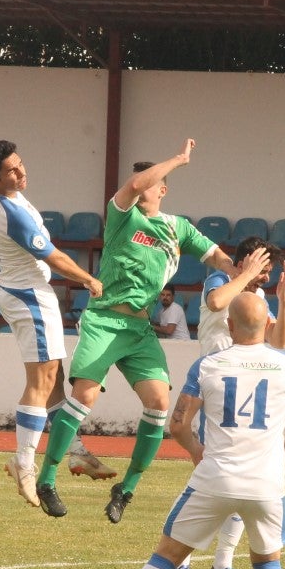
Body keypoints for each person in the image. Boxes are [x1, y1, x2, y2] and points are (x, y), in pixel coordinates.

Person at [92, 293, 285, 569]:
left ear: (228, 326)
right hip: (265, 484)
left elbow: (179, 423)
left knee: (165, 557)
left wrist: (196, 449)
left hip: (214, 478)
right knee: (268, 564)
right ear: (268, 324)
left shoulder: (208, 365)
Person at [34, 139, 237, 522]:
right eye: (140, 179)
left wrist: (235, 270)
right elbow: (129, 188)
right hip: (105, 319)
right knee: (85, 396)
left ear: (163, 189)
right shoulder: (123, 215)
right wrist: (178, 159)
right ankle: (47, 479)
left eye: (153, 181)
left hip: (140, 329)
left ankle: (125, 490)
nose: (143, 185)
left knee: (160, 404)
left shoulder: (178, 228)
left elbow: (215, 256)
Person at [0, 140, 112, 508]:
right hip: (30, 297)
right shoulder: (10, 212)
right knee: (41, 381)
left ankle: (75, 450)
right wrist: (88, 280)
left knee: (54, 377)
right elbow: (54, 256)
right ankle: (24, 463)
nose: (21, 172)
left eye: (21, 164)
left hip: (19, 292)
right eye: (12, 171)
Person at [171, 235, 285, 569]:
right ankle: (179, 559)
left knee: (245, 475)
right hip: (217, 386)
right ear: (244, 262)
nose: (264, 278)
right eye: (261, 269)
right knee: (214, 473)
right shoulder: (221, 281)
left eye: (268, 273)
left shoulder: (258, 296)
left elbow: (280, 343)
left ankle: (221, 564)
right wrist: (247, 275)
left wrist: (283, 302)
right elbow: (216, 302)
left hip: (247, 386)